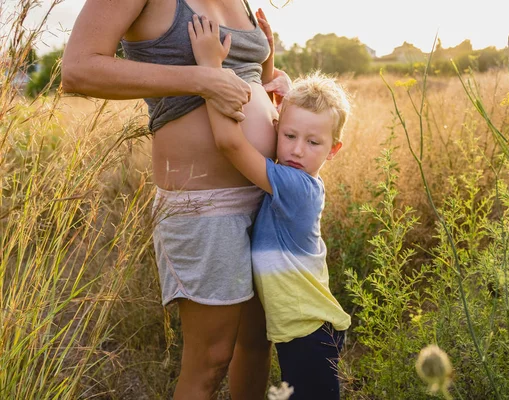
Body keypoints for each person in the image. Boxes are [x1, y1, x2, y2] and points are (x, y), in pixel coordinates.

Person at [62, 1, 291, 399]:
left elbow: (247, 80)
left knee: (257, 344)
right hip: (205, 206)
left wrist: (270, 73)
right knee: (211, 360)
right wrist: (201, 79)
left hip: (267, 195)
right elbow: (78, 69)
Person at [188, 15, 352, 399]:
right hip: (299, 331)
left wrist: (210, 70)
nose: (296, 149)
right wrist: (268, 58)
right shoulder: (288, 169)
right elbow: (276, 113)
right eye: (290, 135)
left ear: (334, 150)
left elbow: (231, 145)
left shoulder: (298, 187)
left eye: (314, 143)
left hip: (310, 334)